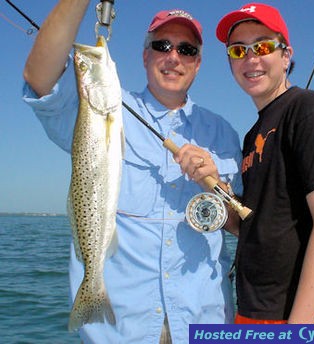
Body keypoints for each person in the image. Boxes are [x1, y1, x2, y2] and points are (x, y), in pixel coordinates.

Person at [23, 1, 242, 343]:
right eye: (162, 45)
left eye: (186, 49)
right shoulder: (98, 107)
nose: (173, 57)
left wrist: (218, 186)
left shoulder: (224, 134)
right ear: (145, 56)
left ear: (197, 63)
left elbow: (244, 226)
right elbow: (39, 78)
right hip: (121, 330)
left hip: (204, 324)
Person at [215, 3, 314, 324]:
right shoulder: (253, 135)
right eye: (238, 50)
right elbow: (255, 226)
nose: (250, 58)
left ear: (286, 55)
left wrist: (298, 329)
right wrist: (213, 188)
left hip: (299, 319)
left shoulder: (308, 109)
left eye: (262, 46)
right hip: (252, 312)